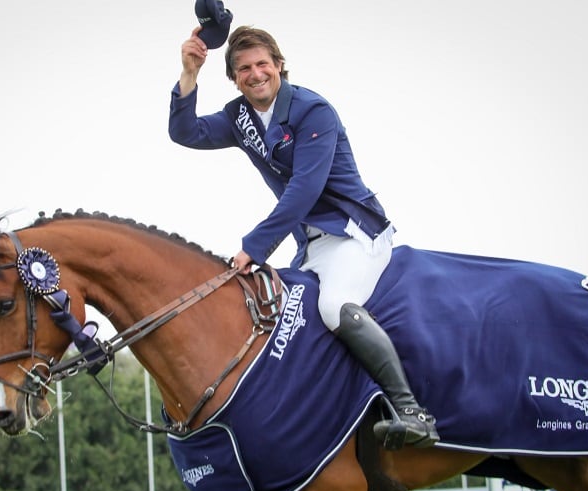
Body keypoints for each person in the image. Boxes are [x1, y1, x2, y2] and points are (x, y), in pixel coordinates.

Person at [168, 23, 439, 450]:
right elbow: (185, 133)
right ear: (234, 78)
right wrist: (189, 74)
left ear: (279, 66)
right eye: (244, 69)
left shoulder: (314, 111)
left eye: (262, 64)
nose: (255, 74)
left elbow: (304, 190)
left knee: (333, 307)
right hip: (310, 246)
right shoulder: (240, 117)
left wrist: (254, 247)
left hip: (354, 235)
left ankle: (412, 412)